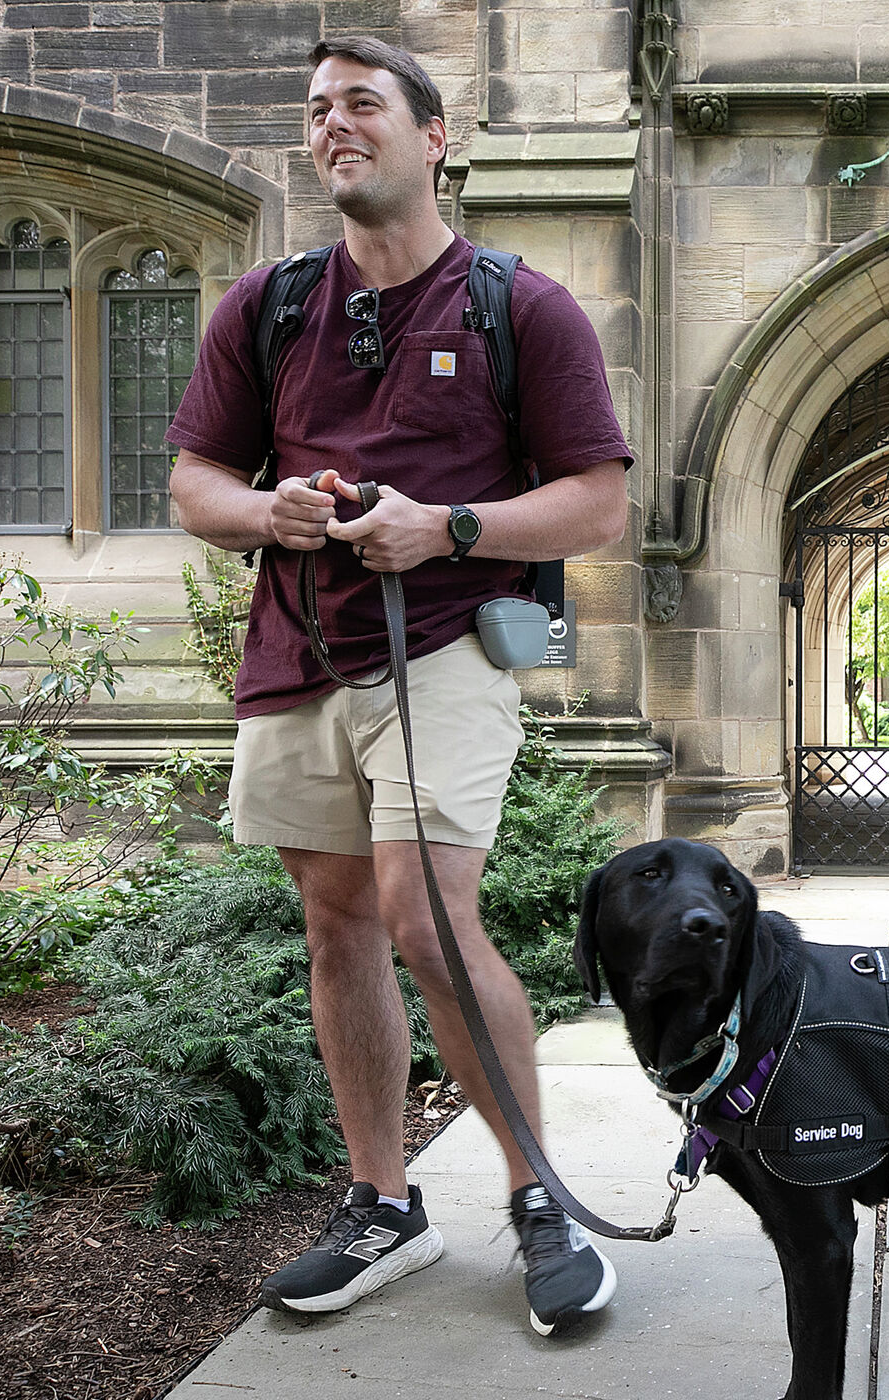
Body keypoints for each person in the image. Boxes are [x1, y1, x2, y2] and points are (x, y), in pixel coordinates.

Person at [165, 36, 633, 1334]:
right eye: (319, 110)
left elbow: (597, 502)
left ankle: (539, 1193)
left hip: (445, 645)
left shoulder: (517, 306)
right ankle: (385, 1204)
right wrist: (274, 510)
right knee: (337, 923)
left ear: (436, 136)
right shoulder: (265, 306)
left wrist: (449, 528)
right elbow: (195, 481)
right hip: (296, 649)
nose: (334, 126)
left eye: (362, 103)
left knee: (425, 914)